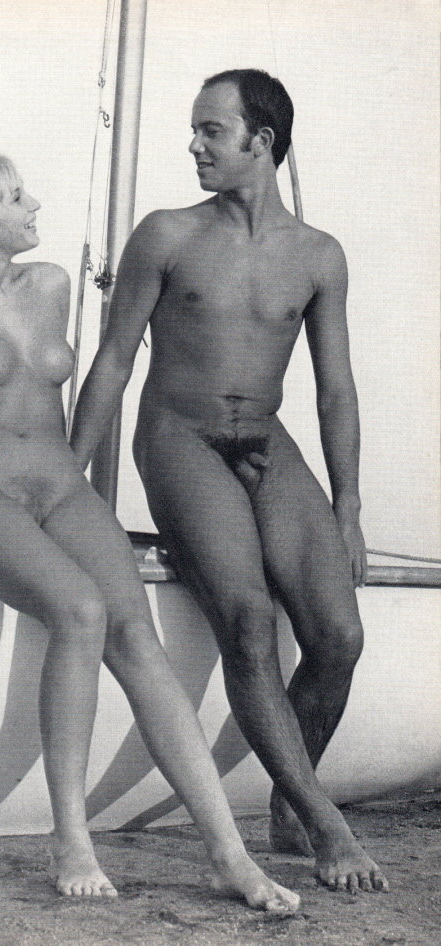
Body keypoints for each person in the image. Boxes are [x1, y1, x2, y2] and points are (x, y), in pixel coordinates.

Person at [0, 153, 300, 913]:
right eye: (17, 197)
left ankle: (227, 854)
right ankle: (71, 840)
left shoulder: (50, 285)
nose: (35, 205)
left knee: (136, 635)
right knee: (79, 611)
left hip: (58, 483)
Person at [70, 70, 389, 894]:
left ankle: (289, 798)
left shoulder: (318, 255)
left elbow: (335, 390)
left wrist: (348, 507)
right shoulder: (166, 234)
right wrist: (70, 483)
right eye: (195, 129)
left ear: (262, 141)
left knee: (338, 638)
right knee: (247, 623)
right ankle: (323, 822)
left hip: (265, 440)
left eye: (211, 130)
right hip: (178, 436)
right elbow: (112, 362)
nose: (194, 145)